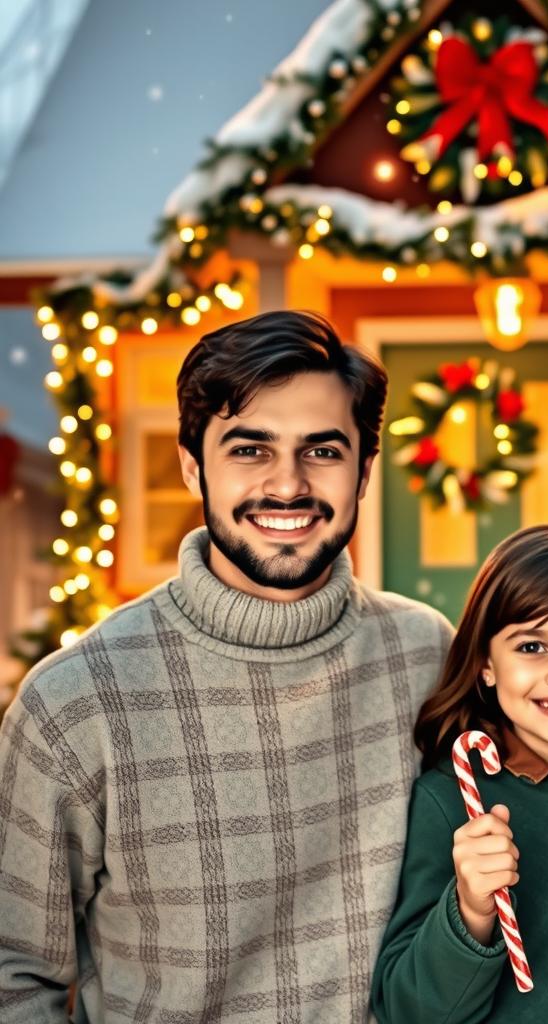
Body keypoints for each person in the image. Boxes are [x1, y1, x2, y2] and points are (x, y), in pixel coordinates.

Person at [0, 311, 453, 1022]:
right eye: (249, 449)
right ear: (192, 464)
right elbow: (13, 975)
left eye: (323, 451)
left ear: (364, 470)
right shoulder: (77, 703)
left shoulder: (426, 656)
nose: (287, 485)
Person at [371, 525, 548, 1023]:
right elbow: (409, 1011)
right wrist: (470, 912)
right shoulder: (450, 799)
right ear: (487, 663)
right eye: (532, 647)